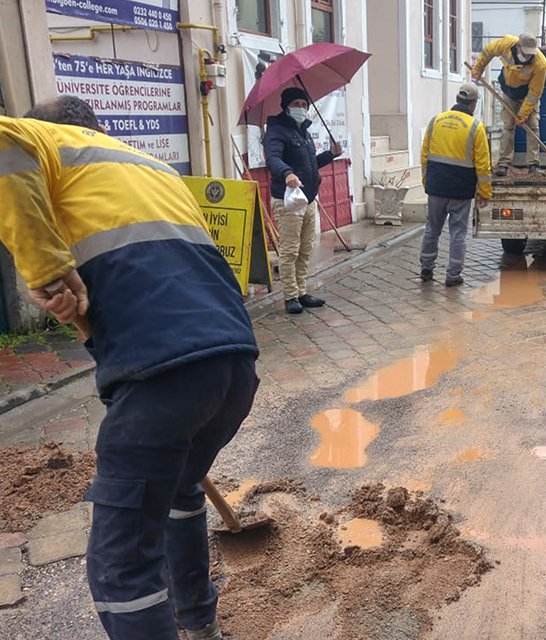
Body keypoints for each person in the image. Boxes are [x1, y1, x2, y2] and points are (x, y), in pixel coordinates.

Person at [4, 97, 260, 640]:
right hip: (235, 366)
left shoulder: (45, 143)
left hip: (163, 377)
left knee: (122, 564)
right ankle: (201, 625)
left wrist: (46, 267)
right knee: (179, 491)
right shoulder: (151, 169)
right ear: (97, 129)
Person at [263, 87, 343, 314]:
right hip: (288, 201)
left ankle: (301, 291)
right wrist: (287, 173)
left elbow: (310, 165)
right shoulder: (276, 131)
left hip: (307, 199)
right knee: (290, 250)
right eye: (296, 104)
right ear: (286, 106)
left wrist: (331, 155)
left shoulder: (304, 133)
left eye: (304, 104)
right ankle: (290, 296)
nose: (301, 108)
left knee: (306, 248)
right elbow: (273, 158)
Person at [419, 82, 492, 287]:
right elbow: (483, 164)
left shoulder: (436, 121)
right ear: (473, 103)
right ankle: (453, 275)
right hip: (460, 190)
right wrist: (485, 192)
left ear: (458, 100)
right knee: (458, 234)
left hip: (436, 187)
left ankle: (426, 267)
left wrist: (427, 182)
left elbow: (424, 156)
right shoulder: (475, 127)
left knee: (432, 229)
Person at [471, 32, 546, 177]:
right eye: (525, 53)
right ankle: (503, 164)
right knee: (508, 127)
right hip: (508, 92)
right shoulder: (506, 44)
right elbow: (488, 51)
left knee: (533, 126)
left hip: (527, 95)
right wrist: (478, 68)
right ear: (518, 46)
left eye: (530, 54)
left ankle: (533, 164)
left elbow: (534, 93)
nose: (527, 56)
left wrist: (523, 114)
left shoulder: (541, 64)